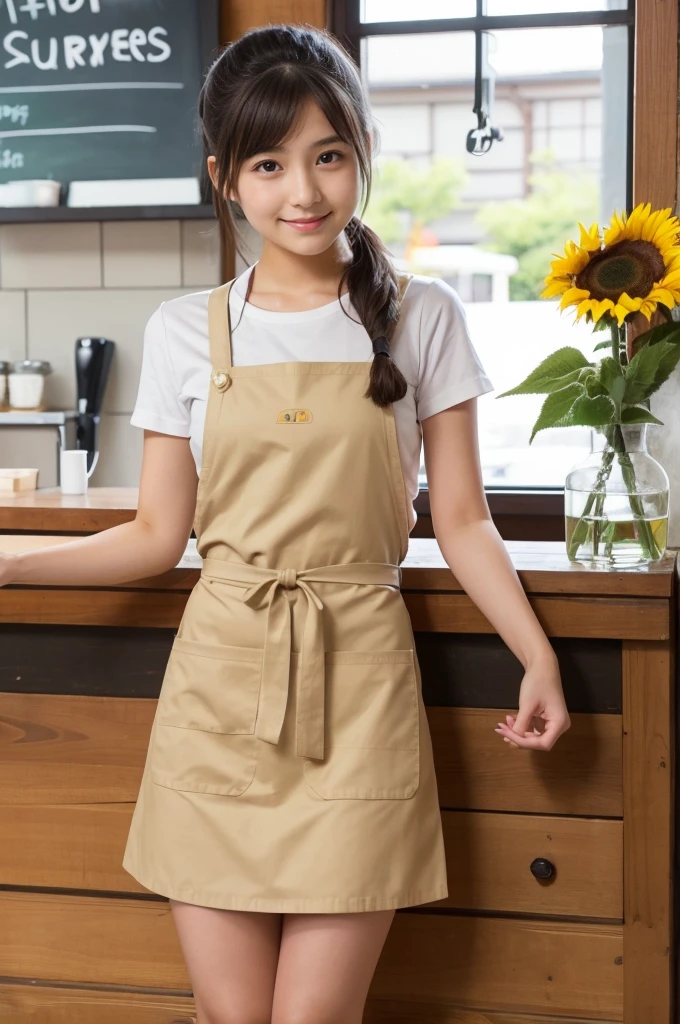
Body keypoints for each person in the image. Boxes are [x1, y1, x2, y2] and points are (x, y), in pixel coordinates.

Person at [0, 22, 570, 1024]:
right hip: (219, 690)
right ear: (226, 176)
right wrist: (9, 569)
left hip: (359, 687)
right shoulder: (185, 327)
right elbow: (154, 536)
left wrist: (537, 656)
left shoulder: (420, 316)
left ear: (360, 158)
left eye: (328, 156)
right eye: (268, 163)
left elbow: (466, 520)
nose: (301, 192)